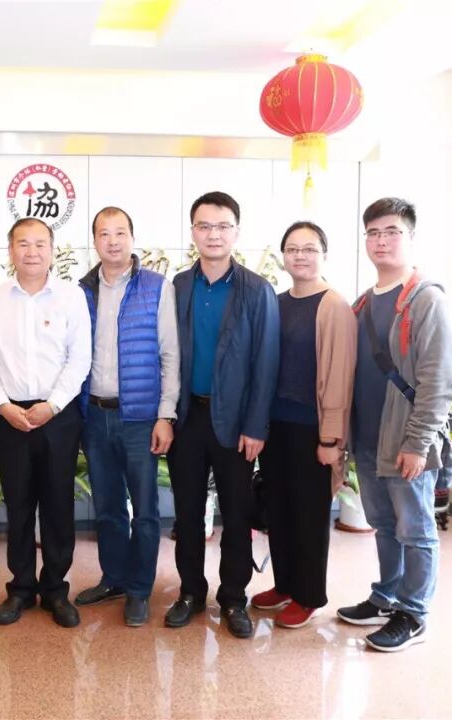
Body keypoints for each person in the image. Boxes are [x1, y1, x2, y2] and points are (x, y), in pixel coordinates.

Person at [336, 197, 452, 652]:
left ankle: (414, 613)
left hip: (405, 441)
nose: (381, 240)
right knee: (383, 524)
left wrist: (418, 442)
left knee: (416, 529)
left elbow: (439, 381)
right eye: (373, 232)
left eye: (392, 232)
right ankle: (386, 596)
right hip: (369, 438)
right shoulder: (364, 303)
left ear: (411, 237)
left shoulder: (426, 300)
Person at [165, 190, 280, 639]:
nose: (213, 234)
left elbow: (266, 364)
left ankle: (234, 598)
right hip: (187, 419)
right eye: (204, 226)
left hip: (235, 424)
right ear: (193, 231)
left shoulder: (257, 290)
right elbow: (164, 355)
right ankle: (190, 592)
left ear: (236, 231)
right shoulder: (178, 287)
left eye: (222, 226)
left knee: (236, 515)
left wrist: (255, 426)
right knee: (187, 514)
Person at [0, 218, 92, 628]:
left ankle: (56, 589)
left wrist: (53, 405)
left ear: (52, 250)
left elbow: (80, 358)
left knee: (58, 506)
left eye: (40, 244)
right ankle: (21, 588)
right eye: (23, 244)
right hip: (10, 417)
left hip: (58, 416)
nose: (32, 252)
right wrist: (2, 405)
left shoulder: (71, 297)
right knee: (20, 505)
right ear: (10, 250)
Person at [73, 206, 179, 627]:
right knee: (107, 507)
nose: (112, 241)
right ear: (94, 241)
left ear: (132, 238)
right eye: (104, 233)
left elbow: (170, 355)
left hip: (140, 417)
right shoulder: (81, 291)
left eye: (120, 232)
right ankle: (114, 578)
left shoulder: (156, 287)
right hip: (95, 414)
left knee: (145, 510)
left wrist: (165, 415)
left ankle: (139, 590)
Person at [251, 222, 357, 629]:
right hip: (275, 426)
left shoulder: (334, 305)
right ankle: (284, 585)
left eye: (309, 248)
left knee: (309, 515)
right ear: (283, 256)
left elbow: (340, 377)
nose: (300, 256)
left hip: (313, 430)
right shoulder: (276, 302)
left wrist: (331, 439)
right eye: (293, 249)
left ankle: (309, 594)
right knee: (279, 509)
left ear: (324, 255)